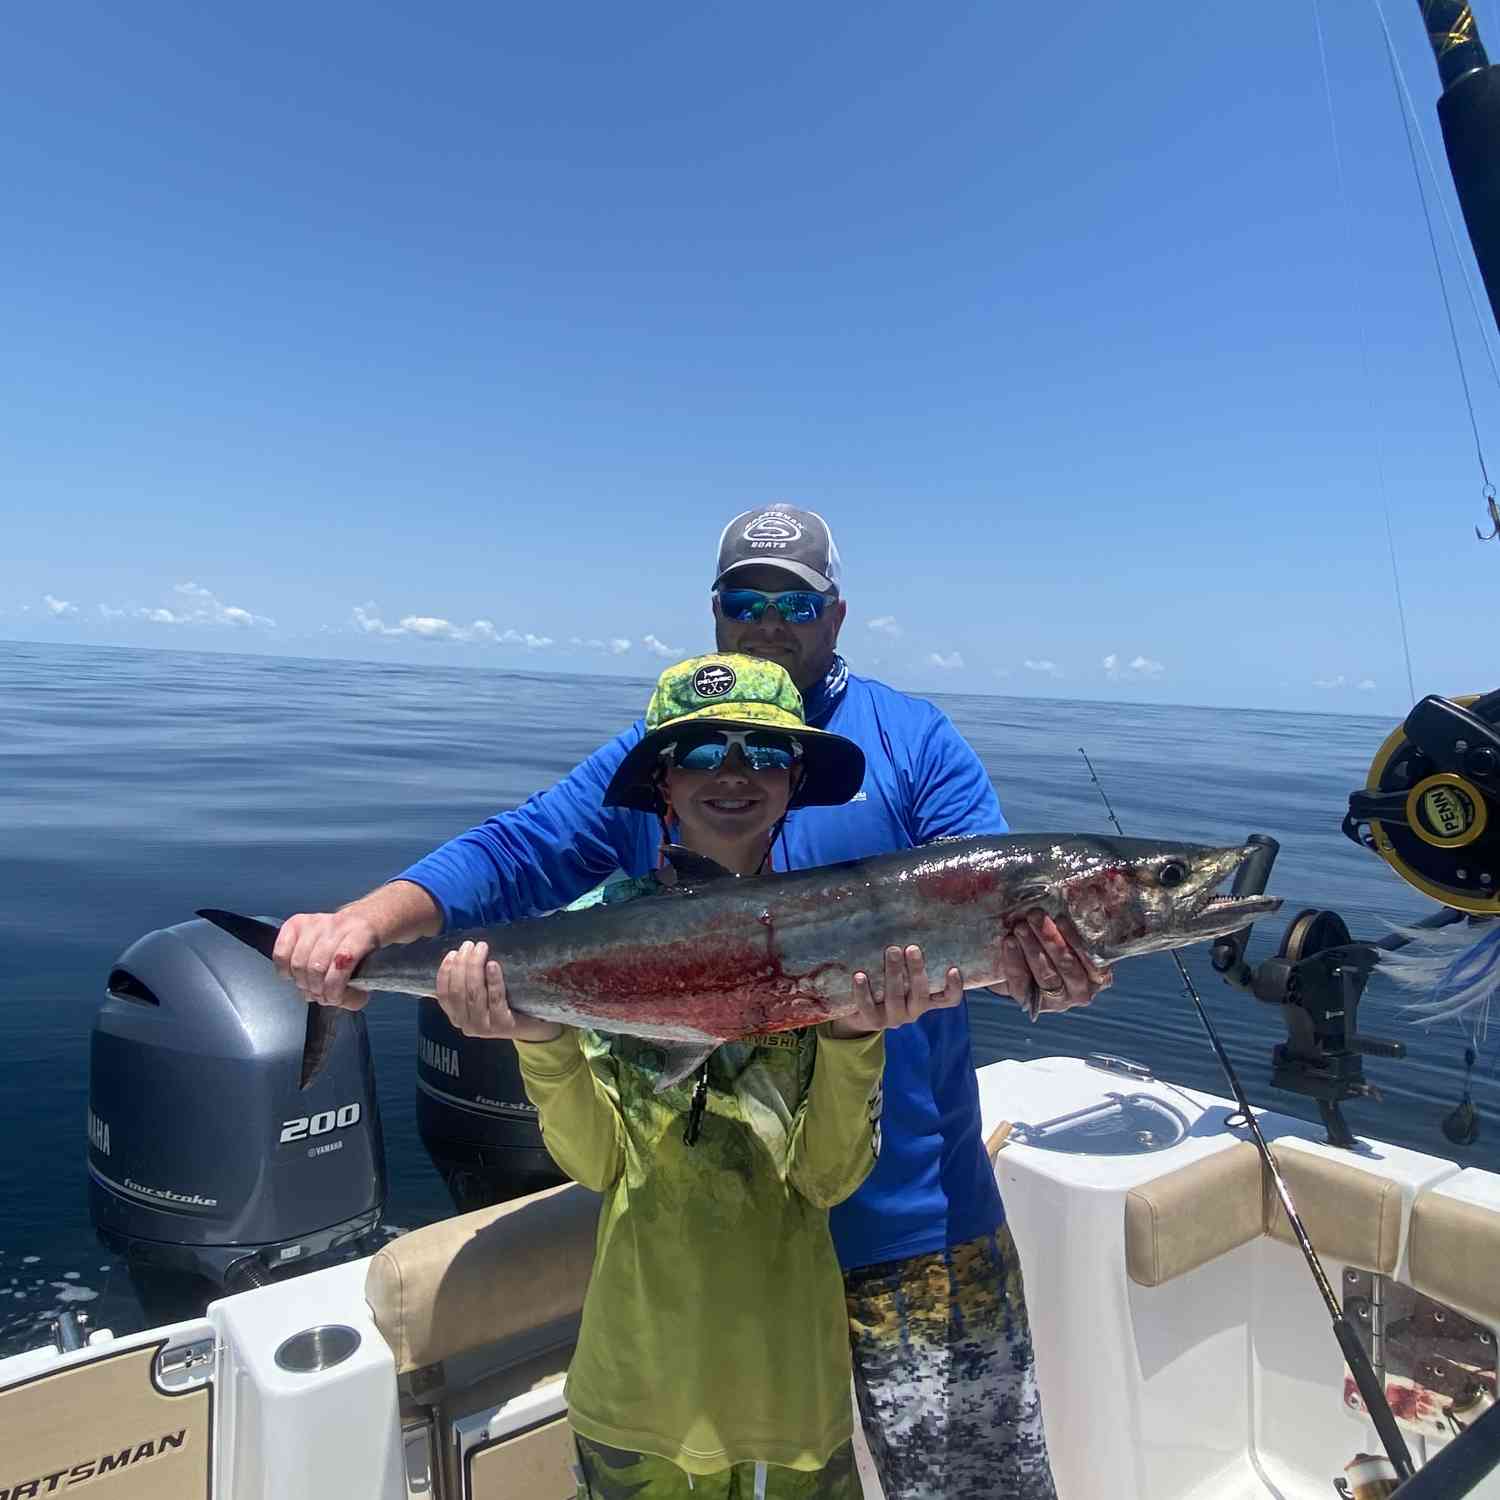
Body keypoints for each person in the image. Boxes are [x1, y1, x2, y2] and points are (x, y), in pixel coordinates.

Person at [274, 504, 1111, 1500]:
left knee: (979, 1488)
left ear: (835, 616)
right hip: (717, 1256)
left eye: (793, 602)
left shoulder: (913, 741)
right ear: (714, 617)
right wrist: (369, 922)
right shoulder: (670, 747)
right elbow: (519, 847)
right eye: (743, 600)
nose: (769, 621)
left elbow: (1002, 909)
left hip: (912, 1218)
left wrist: (1052, 971)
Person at [459, 652, 958, 1498]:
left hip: (789, 1404)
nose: (734, 775)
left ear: (796, 779)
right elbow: (596, 1165)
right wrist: (539, 1039)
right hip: (631, 1397)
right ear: (662, 782)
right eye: (699, 754)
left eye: (763, 755)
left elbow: (828, 1178)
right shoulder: (592, 930)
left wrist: (849, 1041)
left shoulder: (841, 940)